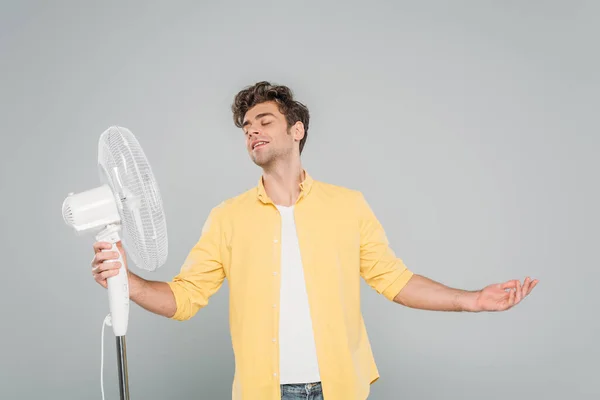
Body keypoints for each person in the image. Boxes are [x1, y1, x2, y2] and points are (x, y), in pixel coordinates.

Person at [90, 81, 538, 400]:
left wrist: (472, 300)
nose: (252, 131)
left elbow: (395, 281)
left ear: (297, 130)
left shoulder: (349, 205)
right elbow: (185, 298)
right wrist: (128, 281)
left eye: (264, 120)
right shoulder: (227, 218)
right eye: (246, 127)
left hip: (341, 389)